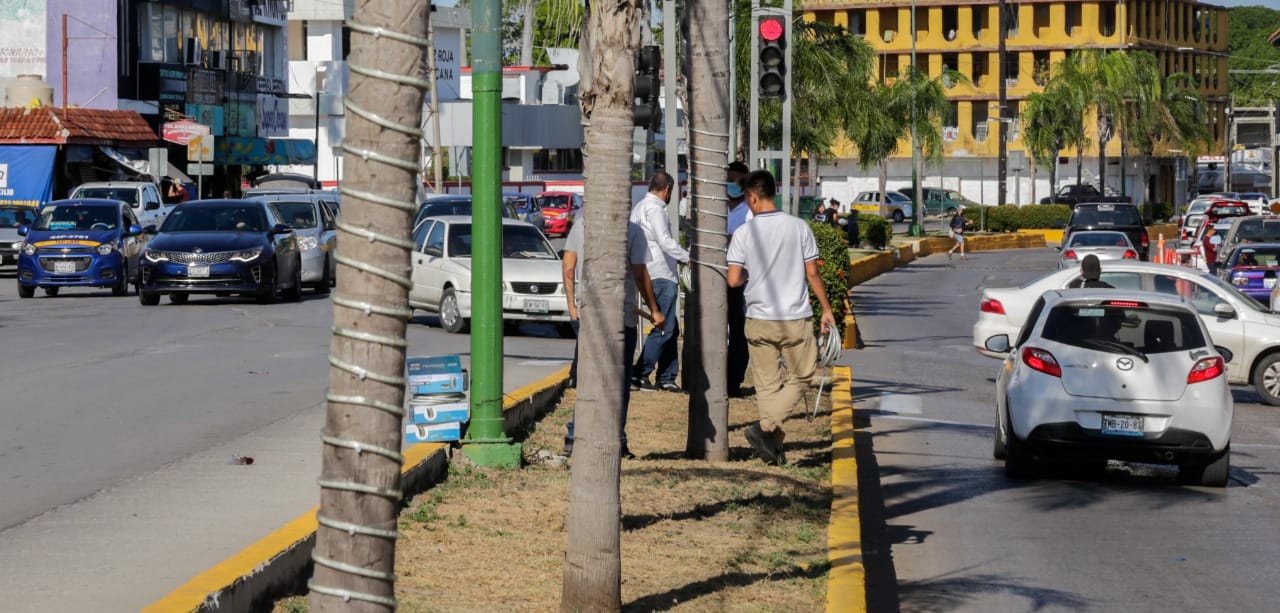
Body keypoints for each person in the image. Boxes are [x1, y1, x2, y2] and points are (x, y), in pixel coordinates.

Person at [727, 169, 837, 466]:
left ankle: (770, 442)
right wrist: (826, 310)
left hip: (757, 318)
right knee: (802, 374)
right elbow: (812, 272)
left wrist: (754, 272)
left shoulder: (742, 233)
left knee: (766, 385)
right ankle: (766, 431)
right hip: (794, 317)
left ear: (751, 197)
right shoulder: (799, 227)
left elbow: (734, 280)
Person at [561, 216, 664, 459]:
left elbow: (568, 265)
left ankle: (574, 437)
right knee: (619, 383)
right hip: (622, 317)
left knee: (588, 378)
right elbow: (639, 273)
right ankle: (617, 439)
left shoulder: (583, 225)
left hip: (589, 316)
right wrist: (655, 309)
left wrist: (573, 307)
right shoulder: (632, 230)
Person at [631, 172, 689, 393]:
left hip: (649, 272)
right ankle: (639, 373)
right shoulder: (655, 209)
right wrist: (687, 257)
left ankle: (666, 376)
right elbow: (665, 242)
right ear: (667, 190)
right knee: (664, 327)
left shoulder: (638, 208)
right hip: (661, 273)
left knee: (670, 327)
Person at [725, 161, 752, 397]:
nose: (731, 184)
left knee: (738, 331)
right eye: (729, 179)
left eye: (736, 180)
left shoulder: (748, 211)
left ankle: (733, 381)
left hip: (740, 279)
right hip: (715, 277)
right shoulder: (717, 207)